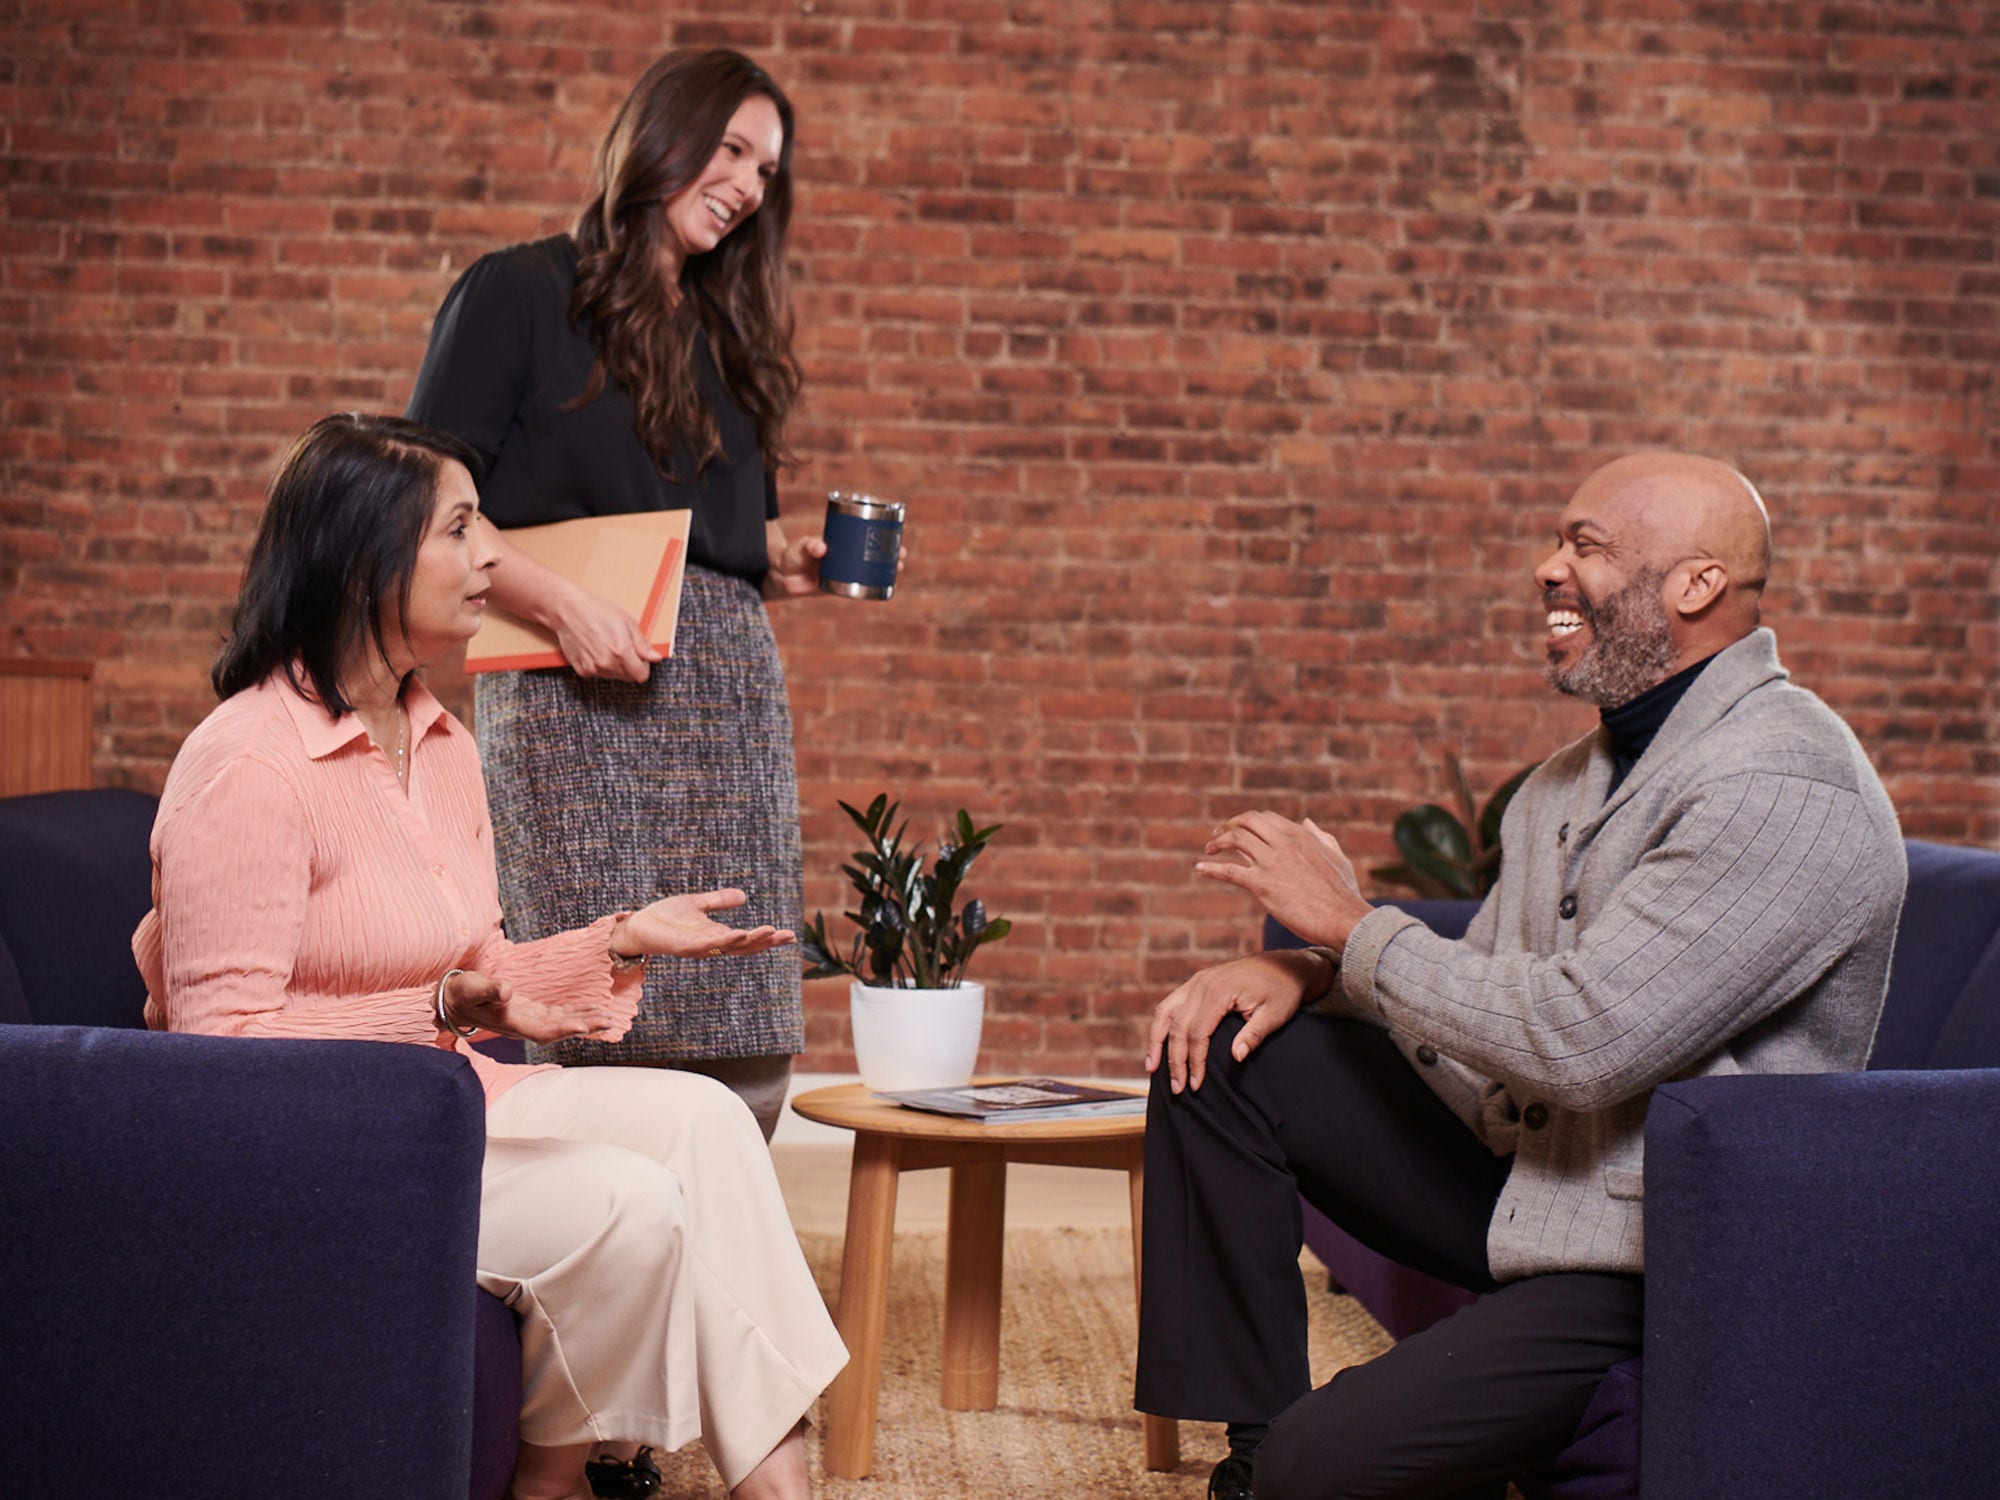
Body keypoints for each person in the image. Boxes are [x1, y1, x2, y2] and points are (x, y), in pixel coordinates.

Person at [1135, 452, 1906, 1500]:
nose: (1546, 570)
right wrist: (1312, 973)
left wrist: (1352, 923)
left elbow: (1580, 1043)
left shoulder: (1782, 784)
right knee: (1225, 1049)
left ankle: (1298, 1468)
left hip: (1658, 1251)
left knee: (1326, 1474)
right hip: (1530, 1173)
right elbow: (1485, 1017)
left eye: (1583, 546)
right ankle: (1255, 1440)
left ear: (1694, 585)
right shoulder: (1563, 782)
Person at [134, 414, 847, 1500]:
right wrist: (430, 1011)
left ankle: (778, 1490)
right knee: (626, 1202)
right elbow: (217, 1052)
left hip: (446, 1095)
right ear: (365, 560)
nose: (492, 561)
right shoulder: (247, 765)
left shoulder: (442, 741)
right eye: (461, 531)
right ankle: (548, 1483)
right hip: (316, 1145)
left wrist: (615, 938)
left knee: (704, 1122)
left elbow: (475, 972)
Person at [405, 49, 827, 1139]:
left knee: (742, 1024)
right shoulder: (518, 292)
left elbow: (705, 537)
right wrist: (559, 604)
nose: (745, 184)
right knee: (597, 1011)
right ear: (660, 137)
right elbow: (425, 499)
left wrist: (783, 557)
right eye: (730, 149)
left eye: (766, 170)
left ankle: (710, 1266)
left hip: (726, 708)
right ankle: (602, 1269)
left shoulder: (729, 340)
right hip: (568, 702)